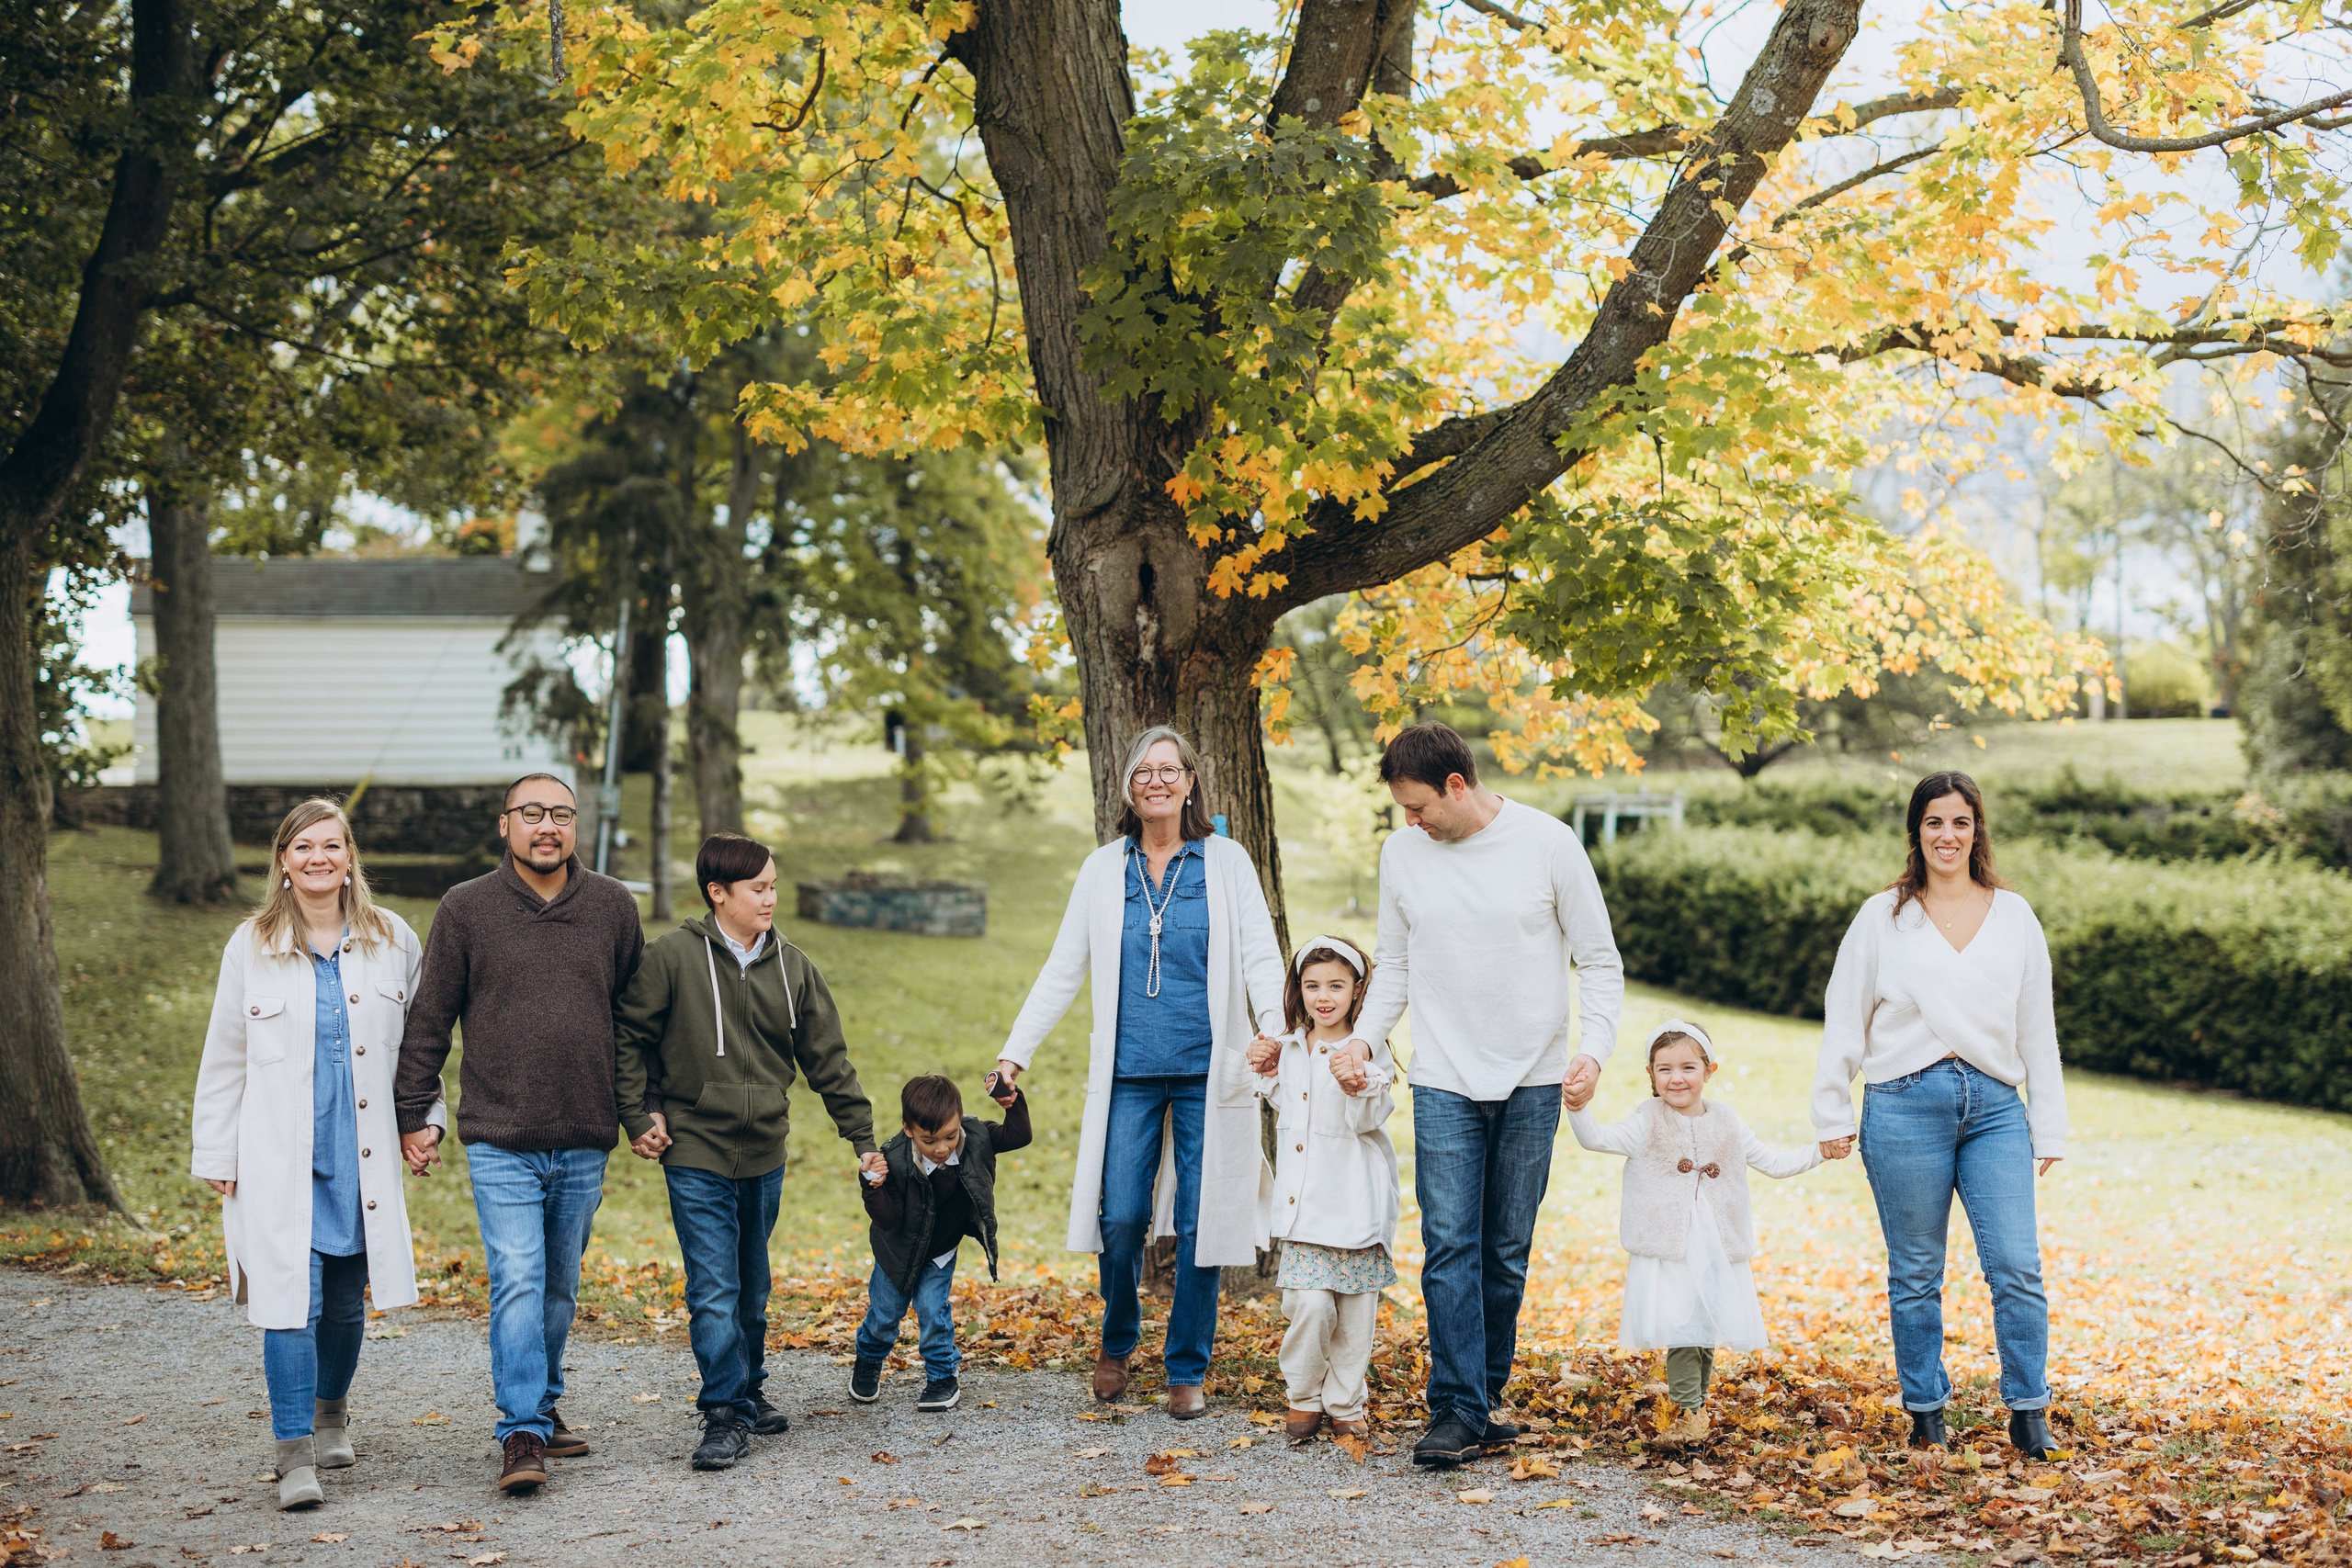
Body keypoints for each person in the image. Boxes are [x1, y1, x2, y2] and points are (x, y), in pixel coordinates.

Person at [1342, 720, 1624, 1469]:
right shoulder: (1402, 853)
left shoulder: (1549, 843)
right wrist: (1363, 1040)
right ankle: (1456, 1406)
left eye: (1418, 806)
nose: (1410, 821)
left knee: (1505, 1249)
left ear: (1457, 786)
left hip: (1534, 1078)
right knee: (1449, 1245)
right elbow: (1393, 966)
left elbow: (1599, 961)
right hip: (1443, 1077)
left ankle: (1482, 1396)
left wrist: (1592, 1052)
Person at [994, 725, 1285, 1419]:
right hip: (1127, 1071)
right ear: (1128, 785)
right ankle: (1118, 1340)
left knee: (1201, 1217)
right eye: (1143, 770)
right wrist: (1015, 1050)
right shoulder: (1103, 868)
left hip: (1207, 1071)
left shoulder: (1225, 861)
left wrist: (1274, 1027)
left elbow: (1262, 956)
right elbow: (1064, 966)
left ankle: (1187, 1365)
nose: (1155, 780)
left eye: (1169, 769)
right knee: (1120, 1216)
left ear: (1190, 781)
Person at [393, 773, 645, 1495]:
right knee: (519, 1279)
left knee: (559, 1286)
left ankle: (542, 1399)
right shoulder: (466, 908)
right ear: (504, 824)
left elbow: (636, 1022)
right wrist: (417, 1113)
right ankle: (522, 1432)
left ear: (576, 827)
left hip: (584, 1131)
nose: (548, 826)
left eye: (562, 814)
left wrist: (642, 1110)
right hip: (500, 1133)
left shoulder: (612, 907)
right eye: (532, 813)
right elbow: (431, 1018)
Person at [190, 799, 446, 1511]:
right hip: (276, 1152)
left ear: (349, 856)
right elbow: (225, 1054)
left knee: (342, 1302)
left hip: (358, 1149)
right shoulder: (251, 944)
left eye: (331, 845)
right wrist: (215, 1146)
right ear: (282, 859)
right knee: (287, 1301)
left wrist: (424, 1119)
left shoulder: (391, 937)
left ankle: (332, 1412)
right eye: (303, 847)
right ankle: (293, 1452)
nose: (318, 858)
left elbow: (422, 1046)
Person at [1812, 770, 2067, 1459]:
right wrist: (1832, 1107)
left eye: (1960, 821)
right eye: (1934, 822)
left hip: (1993, 1109)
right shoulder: (1883, 916)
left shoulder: (2014, 916)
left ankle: (2028, 1408)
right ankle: (1926, 1411)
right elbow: (1844, 1016)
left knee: (2016, 1264)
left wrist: (2050, 1124)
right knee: (1917, 1272)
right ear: (1916, 831)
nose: (1947, 835)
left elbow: (2036, 1026)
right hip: (1903, 1106)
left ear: (1977, 827)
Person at [613, 832, 882, 1472]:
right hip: (695, 1148)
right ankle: (723, 1412)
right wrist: (635, 1112)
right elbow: (628, 1036)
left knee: (751, 1285)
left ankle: (749, 1386)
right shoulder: (672, 957)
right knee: (713, 1285)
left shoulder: (794, 967)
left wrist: (864, 1140)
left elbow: (829, 1062)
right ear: (718, 892)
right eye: (759, 887)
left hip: (766, 1150)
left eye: (773, 885)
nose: (772, 897)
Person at [1567, 1019, 1829, 1446]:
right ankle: (1689, 1413)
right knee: (1685, 1330)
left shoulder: (1726, 1121)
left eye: (1688, 1067)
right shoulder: (1647, 1121)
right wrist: (1578, 1108)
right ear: (1650, 1075)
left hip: (1716, 1245)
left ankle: (1697, 1411)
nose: (1676, 1078)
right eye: (1665, 1068)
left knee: (1704, 1330)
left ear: (1710, 1071)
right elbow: (1596, 1139)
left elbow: (1776, 1163)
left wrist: (1821, 1150)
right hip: (1672, 1246)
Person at [1246, 935, 1397, 1441]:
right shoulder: (1289, 1047)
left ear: (1358, 991)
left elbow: (1369, 1118)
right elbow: (1273, 1099)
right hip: (1303, 1206)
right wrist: (1260, 1060)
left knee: (1355, 1319)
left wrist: (1357, 1086)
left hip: (1356, 1203)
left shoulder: (1369, 1056)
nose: (1324, 996)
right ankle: (1304, 1395)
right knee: (1308, 1306)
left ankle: (1346, 1403)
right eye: (1312, 986)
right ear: (1298, 990)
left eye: (1336, 985)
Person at [853, 1072, 1032, 1412]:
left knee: (934, 1312)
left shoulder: (976, 1136)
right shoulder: (894, 1159)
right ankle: (868, 1360)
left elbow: (1018, 1135)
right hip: (898, 1252)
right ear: (909, 1129)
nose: (941, 1148)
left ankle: (941, 1377)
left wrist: (1013, 1101)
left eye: (950, 1136)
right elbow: (887, 1219)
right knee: (884, 1316)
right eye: (929, 1140)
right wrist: (871, 1186)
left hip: (939, 1251)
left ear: (959, 1120)